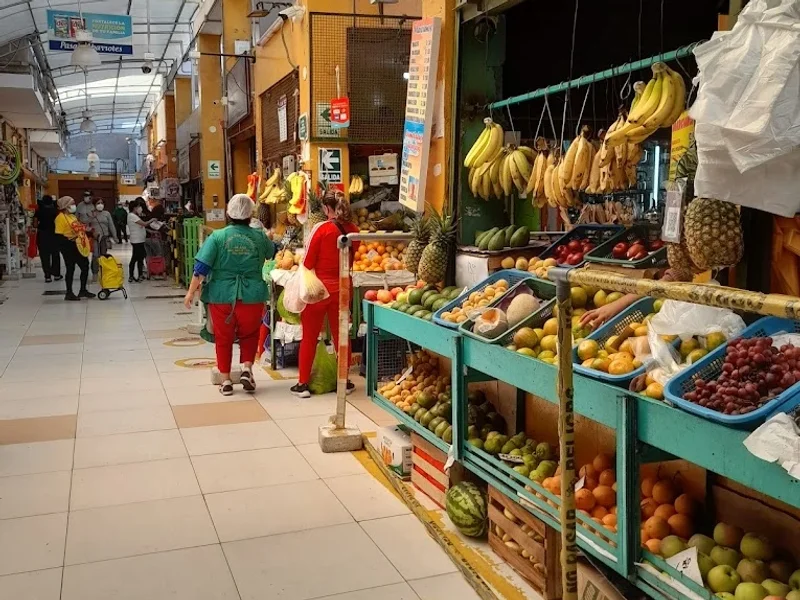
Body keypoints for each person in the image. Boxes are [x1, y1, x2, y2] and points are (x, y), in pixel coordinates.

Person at [183, 194, 275, 396]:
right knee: (249, 335)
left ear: (228, 213)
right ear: (251, 214)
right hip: (252, 295)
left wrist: (191, 293)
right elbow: (271, 253)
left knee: (223, 338)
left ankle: (225, 380)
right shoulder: (259, 236)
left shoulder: (216, 237)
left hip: (221, 296)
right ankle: (246, 369)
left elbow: (201, 268)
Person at [291, 190, 359, 398]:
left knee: (310, 336)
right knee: (342, 337)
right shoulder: (354, 230)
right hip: (343, 289)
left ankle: (303, 384)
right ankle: (344, 381)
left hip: (318, 291)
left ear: (328, 208)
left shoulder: (321, 230)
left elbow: (308, 262)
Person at [54, 196, 94, 301]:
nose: (73, 206)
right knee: (70, 268)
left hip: (77, 244)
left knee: (85, 265)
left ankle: (82, 290)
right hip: (67, 245)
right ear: (65, 205)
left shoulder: (72, 216)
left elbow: (77, 228)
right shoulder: (60, 218)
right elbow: (58, 235)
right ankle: (69, 292)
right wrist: (68, 241)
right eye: (71, 204)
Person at [34, 195, 62, 283]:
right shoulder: (56, 211)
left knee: (44, 256)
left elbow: (35, 224)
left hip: (42, 235)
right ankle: (57, 274)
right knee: (55, 255)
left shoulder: (39, 210)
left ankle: (47, 276)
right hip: (54, 234)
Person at [128, 198, 155, 282]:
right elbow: (144, 224)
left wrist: (149, 231)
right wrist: (152, 219)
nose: (140, 208)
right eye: (139, 207)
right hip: (136, 241)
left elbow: (140, 227)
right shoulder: (131, 216)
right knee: (135, 258)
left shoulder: (135, 216)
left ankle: (140, 275)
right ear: (134, 208)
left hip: (140, 240)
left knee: (140, 257)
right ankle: (131, 276)